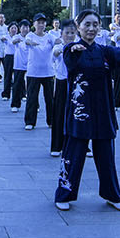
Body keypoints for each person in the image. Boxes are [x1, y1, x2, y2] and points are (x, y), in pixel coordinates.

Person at [53, 9, 120, 211]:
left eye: (95, 24)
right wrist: (75, 50)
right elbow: (69, 61)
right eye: (87, 24)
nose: (91, 28)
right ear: (78, 27)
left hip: (103, 110)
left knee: (106, 156)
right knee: (74, 155)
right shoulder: (72, 49)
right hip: (81, 111)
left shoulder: (105, 51)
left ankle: (112, 195)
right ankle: (64, 194)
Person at [23, 14, 58, 132]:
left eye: (43, 22)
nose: (41, 25)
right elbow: (27, 41)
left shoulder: (49, 36)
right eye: (39, 22)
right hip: (33, 73)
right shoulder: (30, 35)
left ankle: (51, 121)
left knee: (50, 99)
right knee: (32, 98)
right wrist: (31, 43)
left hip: (48, 72)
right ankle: (30, 122)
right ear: (34, 24)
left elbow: (57, 42)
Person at [50, 19, 76, 157]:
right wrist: (63, 49)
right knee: (59, 113)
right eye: (67, 33)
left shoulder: (80, 45)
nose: (70, 35)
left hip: (77, 84)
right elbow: (54, 56)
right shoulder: (59, 47)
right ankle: (56, 145)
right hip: (62, 82)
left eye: (72, 32)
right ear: (61, 34)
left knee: (78, 114)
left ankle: (82, 146)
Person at [8, 19, 31, 113]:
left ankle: (35, 105)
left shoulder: (31, 36)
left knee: (32, 86)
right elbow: (13, 41)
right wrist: (17, 40)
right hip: (19, 65)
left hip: (31, 65)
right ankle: (15, 104)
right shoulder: (16, 37)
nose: (25, 29)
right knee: (17, 85)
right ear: (20, 28)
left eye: (27, 27)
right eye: (23, 27)